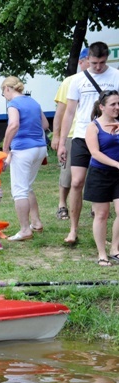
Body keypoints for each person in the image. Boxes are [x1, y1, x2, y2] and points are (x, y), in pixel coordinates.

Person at [57, 42, 119, 244]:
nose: (98, 67)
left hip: (108, 136)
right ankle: (73, 230)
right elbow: (69, 112)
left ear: (107, 58)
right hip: (82, 135)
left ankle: (104, 232)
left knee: (108, 180)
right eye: (94, 63)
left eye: (102, 62)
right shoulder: (77, 80)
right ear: (87, 59)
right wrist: (62, 142)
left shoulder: (116, 76)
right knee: (76, 182)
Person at [1, 76, 48, 241]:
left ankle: (24, 230)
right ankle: (36, 222)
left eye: (3, 93)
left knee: (19, 190)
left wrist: (5, 148)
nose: (4, 96)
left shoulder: (13, 104)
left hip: (23, 149)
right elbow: (45, 125)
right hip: (40, 148)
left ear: (8, 89)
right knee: (26, 186)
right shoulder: (33, 102)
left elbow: (13, 125)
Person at [52, 48, 90, 221]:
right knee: (68, 174)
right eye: (89, 62)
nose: (93, 67)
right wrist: (57, 136)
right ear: (81, 62)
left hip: (96, 133)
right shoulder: (70, 81)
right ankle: (62, 204)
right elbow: (60, 112)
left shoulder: (104, 80)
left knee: (95, 172)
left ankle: (95, 207)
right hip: (73, 134)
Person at [82, 91, 119, 266]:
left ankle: (115, 249)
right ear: (102, 107)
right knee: (102, 214)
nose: (117, 107)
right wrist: (116, 164)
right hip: (100, 174)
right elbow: (95, 153)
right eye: (113, 104)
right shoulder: (93, 126)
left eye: (118, 103)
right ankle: (102, 253)